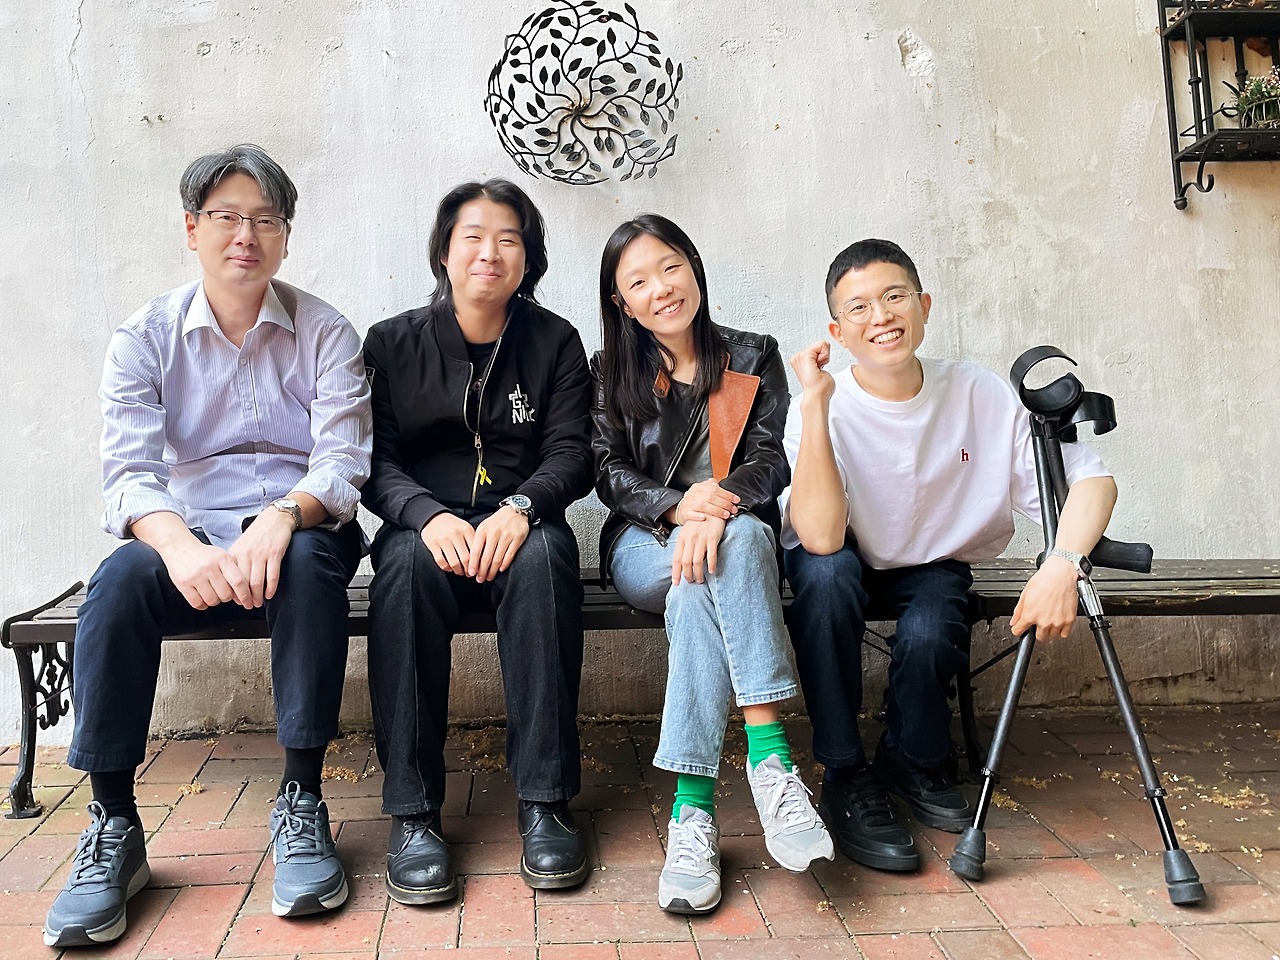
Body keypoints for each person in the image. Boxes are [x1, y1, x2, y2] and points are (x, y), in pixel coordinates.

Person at [43, 145, 372, 947]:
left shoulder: (326, 331)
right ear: (192, 228)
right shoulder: (145, 336)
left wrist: (283, 517)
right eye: (226, 217)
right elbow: (129, 475)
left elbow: (342, 462)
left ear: (285, 236)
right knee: (119, 582)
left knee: (306, 563)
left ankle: (301, 801)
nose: (245, 236)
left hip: (299, 526)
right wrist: (178, 546)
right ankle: (112, 823)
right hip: (191, 534)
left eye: (265, 220)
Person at [782, 238, 1117, 873]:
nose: (881, 316)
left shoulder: (978, 393)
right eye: (858, 307)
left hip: (931, 561)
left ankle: (911, 759)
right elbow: (820, 536)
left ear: (925, 305)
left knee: (934, 628)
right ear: (837, 330)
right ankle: (844, 772)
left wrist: (1063, 563)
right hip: (841, 557)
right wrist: (816, 405)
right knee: (824, 579)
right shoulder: (819, 402)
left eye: (894, 296)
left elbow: (1092, 481)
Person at [591, 214, 833, 916]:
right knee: (728, 553)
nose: (661, 288)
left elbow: (770, 460)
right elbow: (606, 470)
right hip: (644, 541)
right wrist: (679, 508)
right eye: (639, 281)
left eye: (671, 267)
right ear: (621, 302)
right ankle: (771, 756)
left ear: (694, 269)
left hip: (732, 536)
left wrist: (717, 506)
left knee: (708, 580)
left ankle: (692, 812)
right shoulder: (609, 371)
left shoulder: (752, 354)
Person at [361, 180, 593, 903]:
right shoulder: (392, 343)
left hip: (520, 524)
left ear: (528, 258)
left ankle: (546, 802)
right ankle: (413, 813)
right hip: (425, 527)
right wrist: (427, 516)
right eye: (473, 236)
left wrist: (522, 508)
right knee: (402, 571)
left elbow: (572, 453)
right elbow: (373, 462)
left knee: (548, 558)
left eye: (508, 239)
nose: (489, 252)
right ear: (444, 251)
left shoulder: (555, 341)